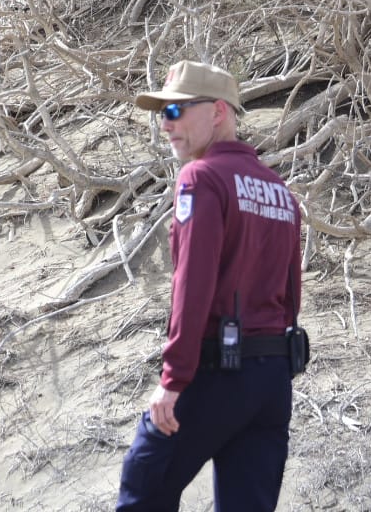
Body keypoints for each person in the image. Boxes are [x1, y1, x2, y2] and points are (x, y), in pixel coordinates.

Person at [115, 60, 307, 512]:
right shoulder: (279, 189)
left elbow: (192, 283)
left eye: (177, 110)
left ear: (219, 111)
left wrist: (174, 377)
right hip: (271, 380)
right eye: (161, 113)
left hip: (218, 370)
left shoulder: (201, 178)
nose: (166, 124)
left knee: (144, 484)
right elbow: (291, 294)